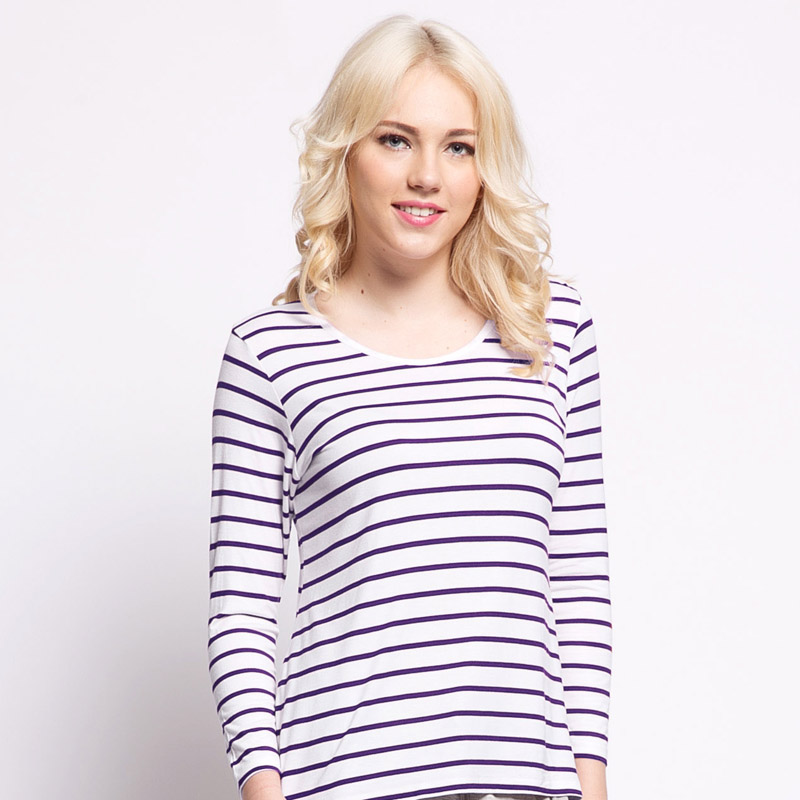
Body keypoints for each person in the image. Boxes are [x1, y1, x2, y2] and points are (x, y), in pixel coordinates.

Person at [207, 14, 612, 800]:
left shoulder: (553, 331)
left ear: (484, 169)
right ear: (346, 151)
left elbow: (579, 586)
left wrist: (591, 788)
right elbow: (241, 620)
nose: (427, 175)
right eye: (396, 139)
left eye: (459, 147)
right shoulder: (270, 354)